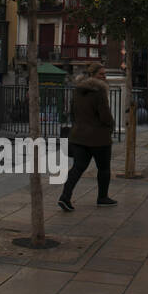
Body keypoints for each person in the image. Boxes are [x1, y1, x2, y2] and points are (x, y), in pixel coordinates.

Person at [57, 64, 117, 211]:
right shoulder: (99, 91)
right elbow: (105, 115)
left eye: (105, 74)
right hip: (98, 138)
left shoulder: (78, 90)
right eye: (101, 74)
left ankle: (65, 197)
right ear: (93, 75)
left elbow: (72, 112)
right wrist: (111, 126)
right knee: (103, 169)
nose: (104, 77)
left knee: (77, 168)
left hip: (79, 136)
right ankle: (102, 197)